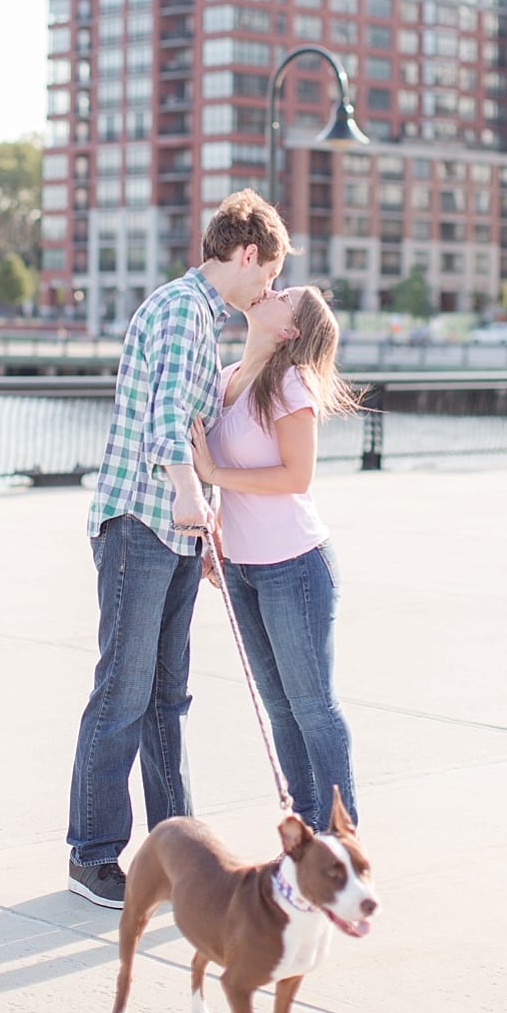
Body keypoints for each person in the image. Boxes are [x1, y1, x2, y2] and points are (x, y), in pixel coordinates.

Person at [66, 189, 293, 911]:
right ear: (248, 253)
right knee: (123, 693)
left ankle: (178, 852)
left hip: (169, 530)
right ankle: (94, 855)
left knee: (168, 698)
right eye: (271, 273)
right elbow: (167, 421)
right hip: (140, 520)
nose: (271, 288)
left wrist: (200, 519)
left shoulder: (201, 318)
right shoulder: (178, 311)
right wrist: (191, 496)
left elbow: (194, 424)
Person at [189, 284, 362, 833]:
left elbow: (296, 477)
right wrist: (215, 532)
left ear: (289, 330)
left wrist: (214, 475)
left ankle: (341, 840)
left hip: (295, 565)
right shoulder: (225, 380)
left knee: (312, 706)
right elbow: (219, 478)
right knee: (280, 707)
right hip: (241, 567)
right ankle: (306, 831)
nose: (270, 290)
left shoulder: (289, 385)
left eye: (284, 295)